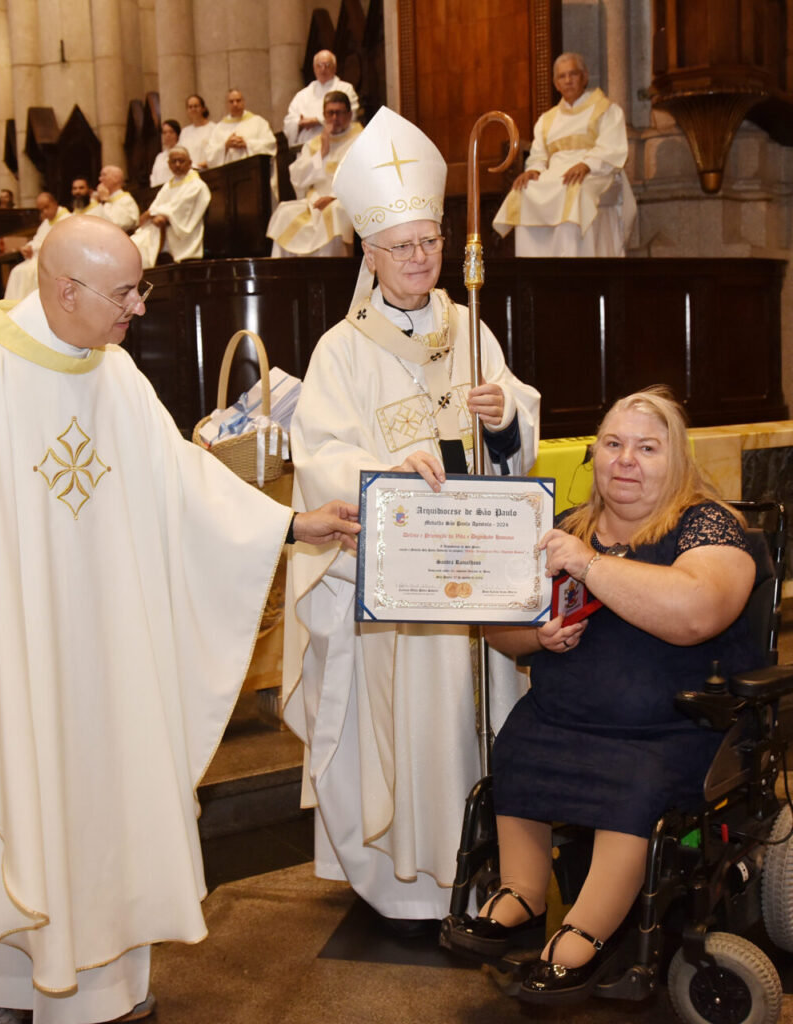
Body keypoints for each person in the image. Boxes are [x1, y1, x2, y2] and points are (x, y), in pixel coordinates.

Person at [0, 214, 360, 1024]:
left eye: (140, 287)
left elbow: (182, 484)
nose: (140, 307)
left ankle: (103, 990)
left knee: (105, 799)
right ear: (63, 289)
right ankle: (8, 981)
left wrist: (292, 525)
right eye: (125, 291)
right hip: (16, 652)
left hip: (112, 651)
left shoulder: (114, 374)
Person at [282, 106, 541, 927]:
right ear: (369, 253)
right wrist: (386, 474)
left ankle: (492, 869)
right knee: (412, 734)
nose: (421, 257)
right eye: (402, 246)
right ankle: (406, 886)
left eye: (430, 241)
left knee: (478, 721)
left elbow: (517, 438)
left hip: (472, 580)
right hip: (399, 590)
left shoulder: (471, 329)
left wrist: (502, 415)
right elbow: (319, 456)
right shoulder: (342, 351)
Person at [445, 386, 762, 1004]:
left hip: (671, 728)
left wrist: (588, 565)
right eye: (613, 444)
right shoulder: (565, 527)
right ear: (595, 454)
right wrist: (536, 634)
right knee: (520, 745)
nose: (626, 460)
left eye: (647, 448)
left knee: (633, 778)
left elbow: (697, 611)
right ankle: (522, 893)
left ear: (678, 460)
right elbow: (500, 627)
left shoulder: (707, 524)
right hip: (563, 716)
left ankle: (584, 932)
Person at [493, 52, 635, 257]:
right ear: (555, 83)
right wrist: (533, 170)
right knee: (523, 191)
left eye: (573, 74)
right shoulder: (547, 119)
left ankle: (573, 270)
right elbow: (539, 155)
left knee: (576, 191)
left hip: (596, 173)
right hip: (555, 175)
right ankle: (534, 272)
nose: (568, 80)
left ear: (585, 77)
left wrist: (587, 164)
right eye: (562, 76)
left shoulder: (605, 109)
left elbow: (612, 148)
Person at [267, 92, 361, 257]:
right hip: (315, 200)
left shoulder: (360, 140)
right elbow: (298, 179)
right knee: (284, 212)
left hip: (344, 201)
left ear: (349, 114)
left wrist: (333, 197)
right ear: (324, 116)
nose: (334, 118)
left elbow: (362, 178)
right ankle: (284, 275)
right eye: (329, 113)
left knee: (333, 212)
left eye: (339, 112)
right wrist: (322, 154)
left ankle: (329, 275)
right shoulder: (316, 143)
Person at [131, 146, 211, 268]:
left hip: (182, 235)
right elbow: (156, 206)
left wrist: (155, 213)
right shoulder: (168, 185)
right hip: (162, 230)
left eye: (181, 161)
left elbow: (181, 209)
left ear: (189, 163)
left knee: (140, 250)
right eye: (173, 161)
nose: (177, 165)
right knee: (133, 246)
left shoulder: (197, 185)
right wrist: (152, 214)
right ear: (168, 164)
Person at [283, 49, 359, 147]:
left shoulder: (345, 89)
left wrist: (318, 121)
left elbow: (351, 115)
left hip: (337, 146)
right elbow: (289, 122)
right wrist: (299, 123)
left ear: (335, 68)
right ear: (314, 68)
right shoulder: (302, 95)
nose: (323, 69)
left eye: (327, 65)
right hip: (306, 148)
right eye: (319, 65)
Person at [3, 191, 70, 302]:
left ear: (54, 203)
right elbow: (37, 240)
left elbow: (58, 244)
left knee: (26, 273)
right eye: (41, 210)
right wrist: (29, 247)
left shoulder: (67, 219)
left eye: (46, 207)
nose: (44, 212)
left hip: (56, 261)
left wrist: (34, 248)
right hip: (39, 258)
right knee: (17, 271)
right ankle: (14, 308)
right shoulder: (46, 223)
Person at [205, 89, 276, 168]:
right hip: (229, 173)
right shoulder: (219, 128)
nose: (235, 104)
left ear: (243, 102)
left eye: (238, 100)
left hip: (253, 170)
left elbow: (270, 144)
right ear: (226, 105)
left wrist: (247, 144)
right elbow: (209, 154)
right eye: (231, 102)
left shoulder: (258, 122)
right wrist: (225, 146)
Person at [87, 165, 140, 232]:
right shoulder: (98, 197)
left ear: (116, 178)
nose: (100, 179)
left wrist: (105, 200)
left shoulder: (125, 199)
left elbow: (115, 224)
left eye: (104, 175)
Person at [179, 94, 215, 169]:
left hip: (207, 171)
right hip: (188, 173)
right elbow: (180, 153)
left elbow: (217, 153)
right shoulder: (185, 132)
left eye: (196, 106)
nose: (193, 109)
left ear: (203, 108)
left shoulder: (213, 128)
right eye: (190, 107)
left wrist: (200, 166)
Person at [149, 118, 182, 187]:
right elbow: (153, 177)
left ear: (177, 135)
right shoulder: (159, 157)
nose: (167, 135)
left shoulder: (182, 153)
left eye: (171, 132)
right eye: (164, 133)